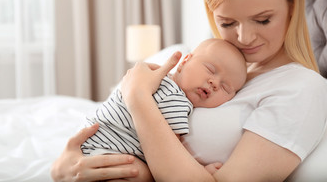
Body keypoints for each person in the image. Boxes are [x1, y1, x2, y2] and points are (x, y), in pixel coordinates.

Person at [51, 0, 327, 181]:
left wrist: (137, 96)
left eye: (263, 19)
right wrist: (62, 168)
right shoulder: (226, 67)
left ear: (293, 8)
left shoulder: (302, 88)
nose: (244, 37)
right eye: (227, 22)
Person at [80, 38, 246, 167]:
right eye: (210, 69)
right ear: (184, 61)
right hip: (106, 149)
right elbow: (170, 152)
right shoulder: (175, 98)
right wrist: (202, 170)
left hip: (92, 143)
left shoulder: (157, 79)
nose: (215, 83)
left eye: (225, 87)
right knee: (138, 174)